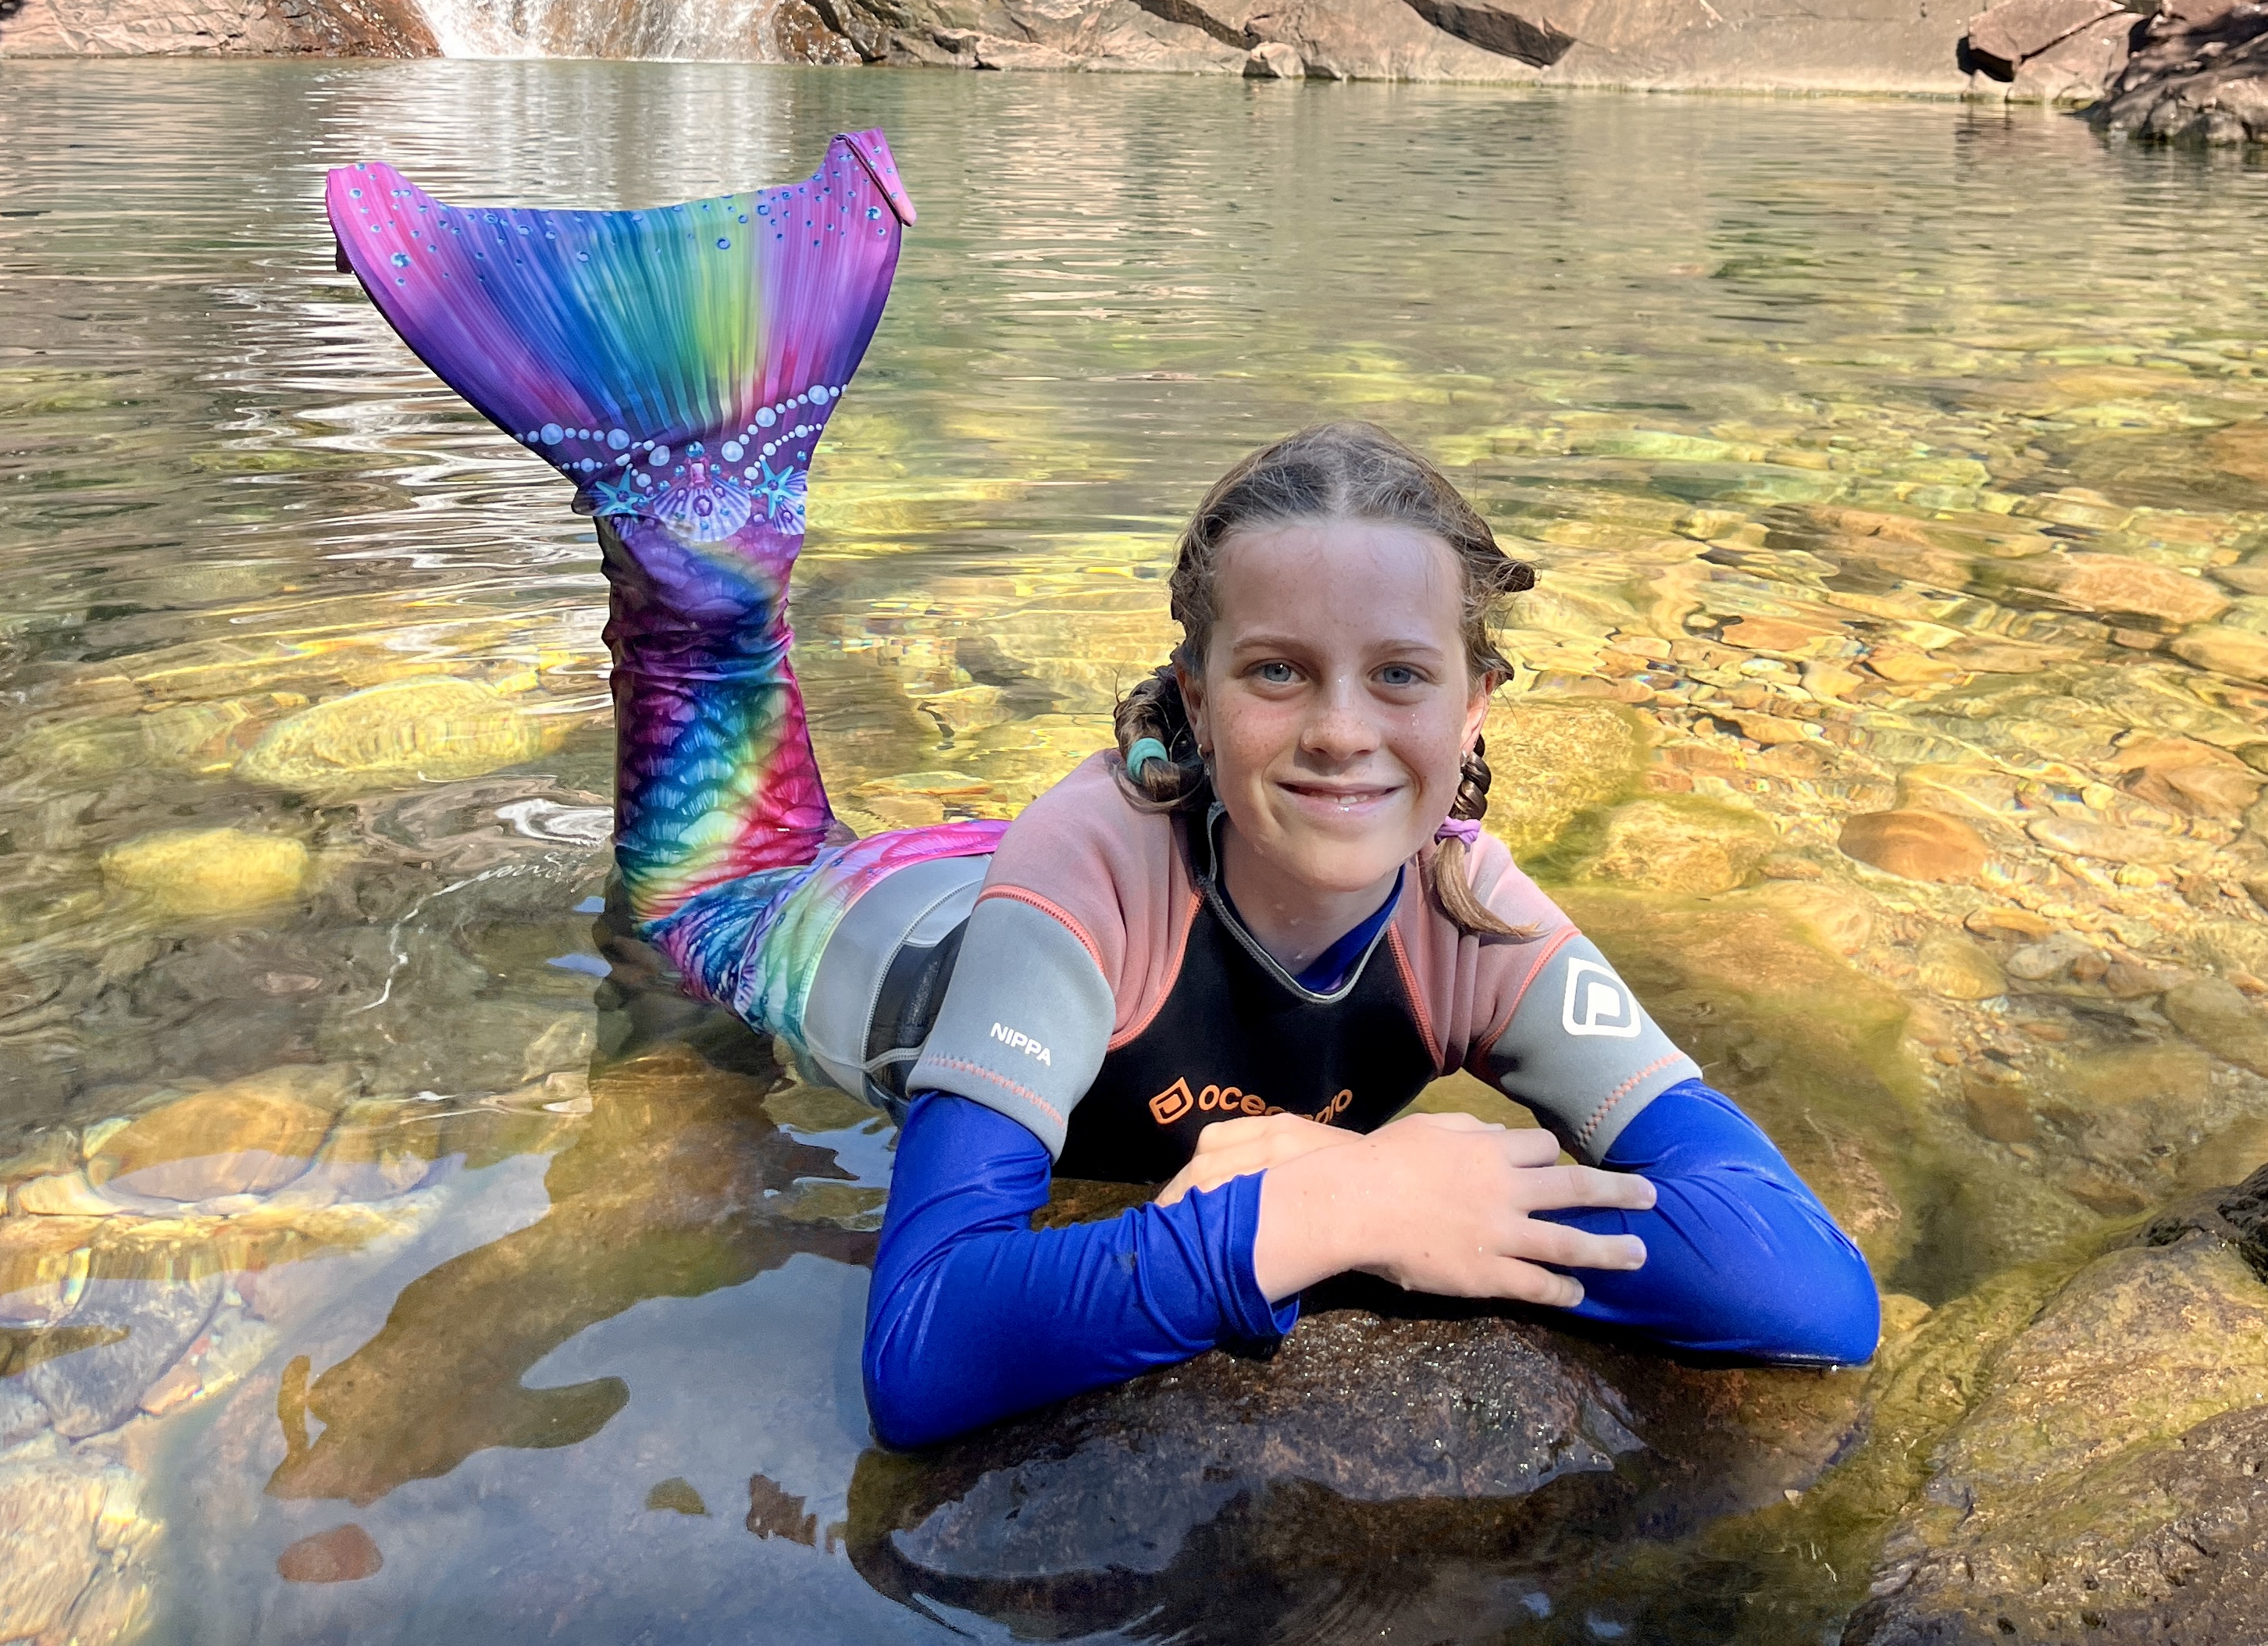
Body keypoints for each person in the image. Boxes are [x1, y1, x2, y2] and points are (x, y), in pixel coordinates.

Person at [326, 130, 1879, 1452]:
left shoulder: (1470, 913)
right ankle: (689, 515)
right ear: (1194, 703)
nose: (1344, 732)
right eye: (1278, 674)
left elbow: (1811, 1292)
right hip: (826, 928)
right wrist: (1326, 1217)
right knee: (686, 869)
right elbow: (922, 1352)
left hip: (996, 886)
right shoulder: (1090, 884)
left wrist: (1398, 1202)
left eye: (1398, 676)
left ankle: (719, 488)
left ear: (1475, 703)